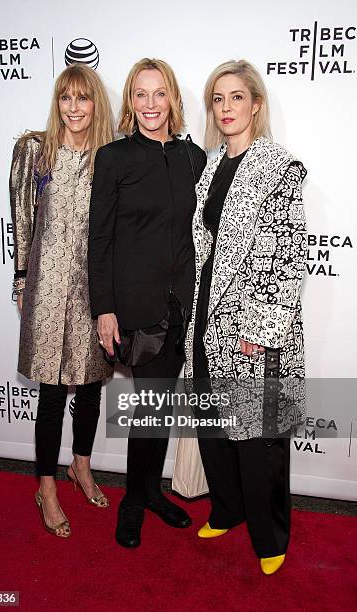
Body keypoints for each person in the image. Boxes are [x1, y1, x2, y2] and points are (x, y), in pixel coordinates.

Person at [184, 60, 307, 574]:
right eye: (218, 98)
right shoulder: (211, 164)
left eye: (237, 97)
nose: (226, 108)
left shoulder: (279, 166)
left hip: (256, 323)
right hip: (209, 310)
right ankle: (229, 508)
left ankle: (270, 534)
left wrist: (262, 329)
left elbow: (288, 254)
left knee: (260, 436)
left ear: (256, 104)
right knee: (214, 425)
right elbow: (206, 245)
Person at [88, 58, 207, 548]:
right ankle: (135, 501)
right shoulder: (114, 157)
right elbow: (100, 240)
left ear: (173, 100)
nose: (151, 104)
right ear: (130, 101)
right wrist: (105, 308)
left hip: (184, 307)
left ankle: (151, 492)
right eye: (141, 93)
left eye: (160, 94)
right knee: (149, 409)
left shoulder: (193, 158)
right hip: (136, 310)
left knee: (160, 409)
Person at [10, 63, 114, 538]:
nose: (74, 109)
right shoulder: (34, 151)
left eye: (83, 98)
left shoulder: (109, 159)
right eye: (65, 99)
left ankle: (82, 466)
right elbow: (22, 223)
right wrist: (20, 281)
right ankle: (46, 487)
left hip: (93, 290)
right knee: (52, 392)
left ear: (96, 103)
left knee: (91, 386)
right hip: (47, 287)